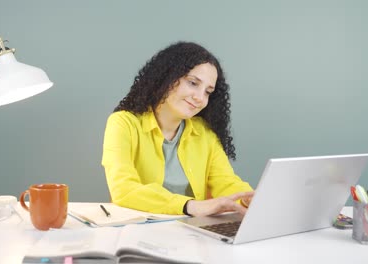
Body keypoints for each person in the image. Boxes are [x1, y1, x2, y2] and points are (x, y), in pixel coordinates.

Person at [102, 41, 254, 217]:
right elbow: (124, 188)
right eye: (193, 83)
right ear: (167, 77)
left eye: (208, 92)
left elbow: (226, 182)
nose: (199, 98)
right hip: (140, 231)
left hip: (193, 234)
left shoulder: (204, 133)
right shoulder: (123, 123)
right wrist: (191, 206)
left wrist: (248, 198)